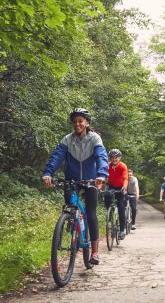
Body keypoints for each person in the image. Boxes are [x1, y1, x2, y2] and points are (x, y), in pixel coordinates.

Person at [42, 108, 108, 265]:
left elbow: (101, 157)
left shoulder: (95, 139)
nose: (77, 124)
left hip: (92, 180)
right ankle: (72, 224)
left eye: (80, 121)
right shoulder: (67, 139)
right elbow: (56, 157)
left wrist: (101, 174)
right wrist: (48, 173)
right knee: (70, 207)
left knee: (91, 213)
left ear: (86, 122)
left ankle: (95, 252)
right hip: (71, 179)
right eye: (75, 121)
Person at [105, 148, 128, 240]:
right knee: (106, 195)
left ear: (119, 158)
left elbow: (125, 178)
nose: (114, 159)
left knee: (121, 206)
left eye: (116, 157)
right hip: (110, 185)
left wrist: (124, 187)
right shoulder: (107, 166)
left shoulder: (123, 166)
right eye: (112, 157)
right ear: (110, 158)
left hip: (120, 186)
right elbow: (103, 176)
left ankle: (122, 230)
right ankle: (110, 215)